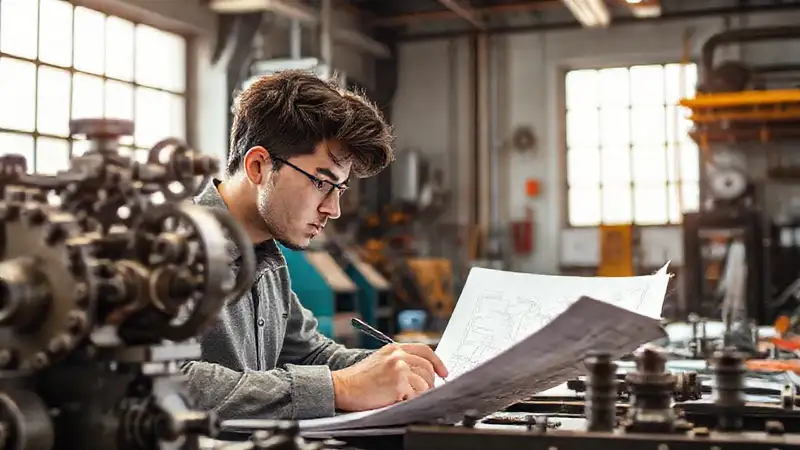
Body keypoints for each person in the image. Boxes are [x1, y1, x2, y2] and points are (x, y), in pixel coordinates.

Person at [184, 70, 449, 421]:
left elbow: (310, 354)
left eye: (339, 189)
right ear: (258, 166)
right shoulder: (171, 251)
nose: (333, 210)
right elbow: (164, 381)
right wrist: (339, 388)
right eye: (321, 183)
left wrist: (400, 367)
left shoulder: (267, 260)